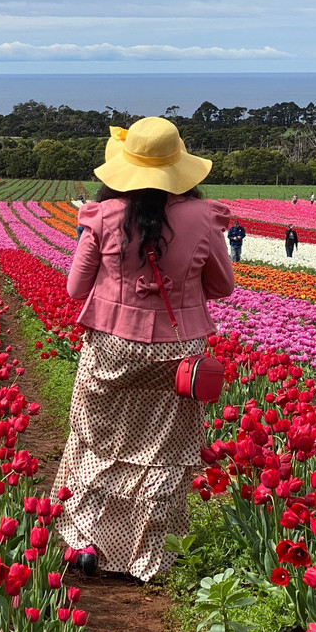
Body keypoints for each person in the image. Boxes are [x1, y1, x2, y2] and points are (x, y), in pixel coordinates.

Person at [54, 116, 234, 582]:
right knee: (163, 451)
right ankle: (147, 558)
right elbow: (222, 286)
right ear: (179, 166)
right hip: (178, 353)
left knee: (98, 444)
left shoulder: (105, 216)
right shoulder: (202, 218)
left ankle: (86, 544)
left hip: (111, 346)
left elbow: (76, 288)